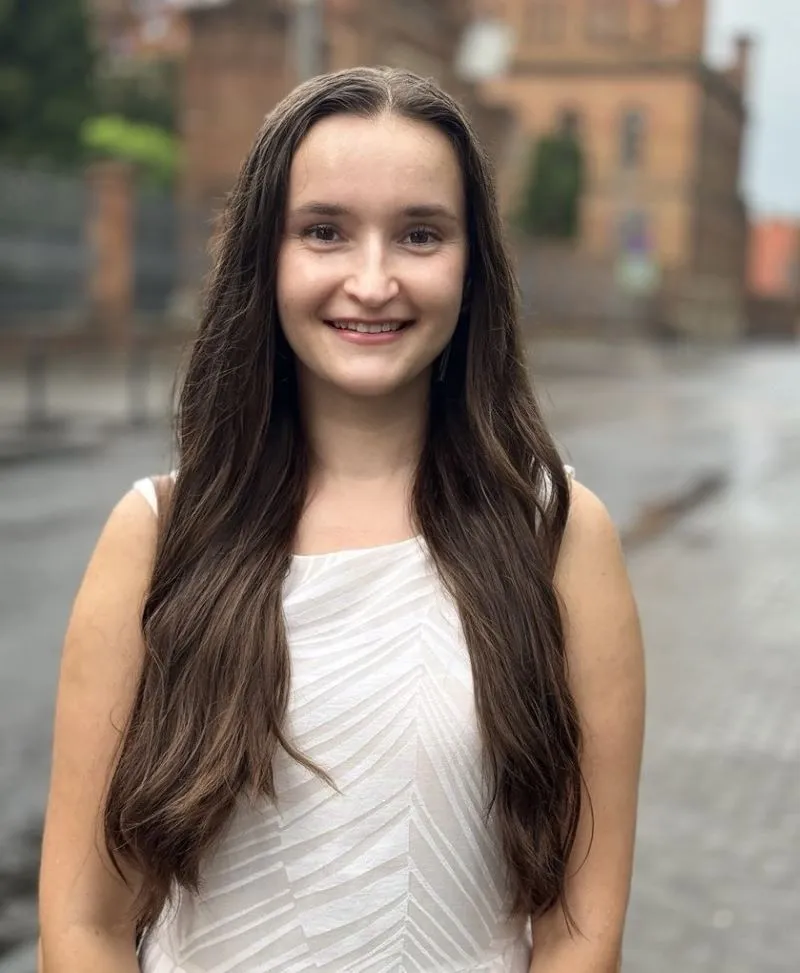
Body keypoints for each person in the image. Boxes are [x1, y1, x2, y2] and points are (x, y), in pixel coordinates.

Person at [38, 67, 644, 972]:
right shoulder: (159, 536)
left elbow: (582, 930)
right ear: (266, 256)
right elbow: (83, 922)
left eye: (420, 234)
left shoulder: (558, 537)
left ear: (472, 266)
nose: (372, 280)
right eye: (324, 231)